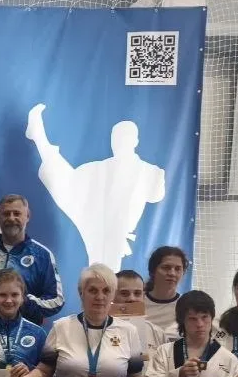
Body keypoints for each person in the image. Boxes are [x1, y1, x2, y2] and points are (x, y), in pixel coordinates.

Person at [27, 105, 166, 271]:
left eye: (124, 138)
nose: (118, 143)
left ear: (135, 141)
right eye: (115, 138)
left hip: (117, 229)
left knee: (107, 272)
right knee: (60, 174)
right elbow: (70, 181)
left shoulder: (148, 171)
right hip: (94, 221)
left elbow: (156, 195)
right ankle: (38, 135)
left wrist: (158, 179)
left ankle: (38, 135)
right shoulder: (99, 168)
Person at [0, 195, 63, 324]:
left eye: (17, 213)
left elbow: (57, 300)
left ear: (27, 216)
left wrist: (25, 302)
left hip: (24, 332)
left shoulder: (42, 255)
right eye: (6, 214)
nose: (11, 218)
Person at [115, 269, 168, 352]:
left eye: (137, 293)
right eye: (124, 293)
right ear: (112, 295)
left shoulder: (157, 333)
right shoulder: (101, 329)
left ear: (143, 296)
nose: (132, 298)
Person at [143, 246, 189, 334]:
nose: (172, 273)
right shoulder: (137, 301)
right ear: (152, 271)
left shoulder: (187, 305)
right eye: (166, 267)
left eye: (178, 269)